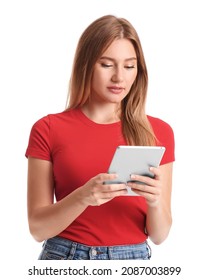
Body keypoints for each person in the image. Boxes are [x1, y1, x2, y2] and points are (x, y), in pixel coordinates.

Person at [25, 15, 175, 260]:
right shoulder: (47, 128)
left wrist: (156, 201)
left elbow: (159, 235)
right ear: (86, 65)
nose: (119, 77)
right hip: (65, 256)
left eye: (129, 66)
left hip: (132, 260)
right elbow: (37, 228)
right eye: (107, 64)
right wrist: (83, 196)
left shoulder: (159, 132)